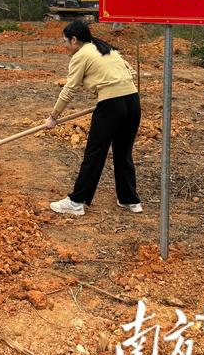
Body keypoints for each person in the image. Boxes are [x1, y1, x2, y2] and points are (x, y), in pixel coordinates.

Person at [44, 20, 142, 217]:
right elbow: (132, 72)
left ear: (74, 39)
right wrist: (112, 88)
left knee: (94, 154)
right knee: (123, 152)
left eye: (65, 42)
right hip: (132, 102)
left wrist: (53, 117)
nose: (65, 46)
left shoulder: (81, 55)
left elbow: (69, 89)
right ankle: (129, 200)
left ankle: (76, 202)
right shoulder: (106, 48)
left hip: (112, 106)